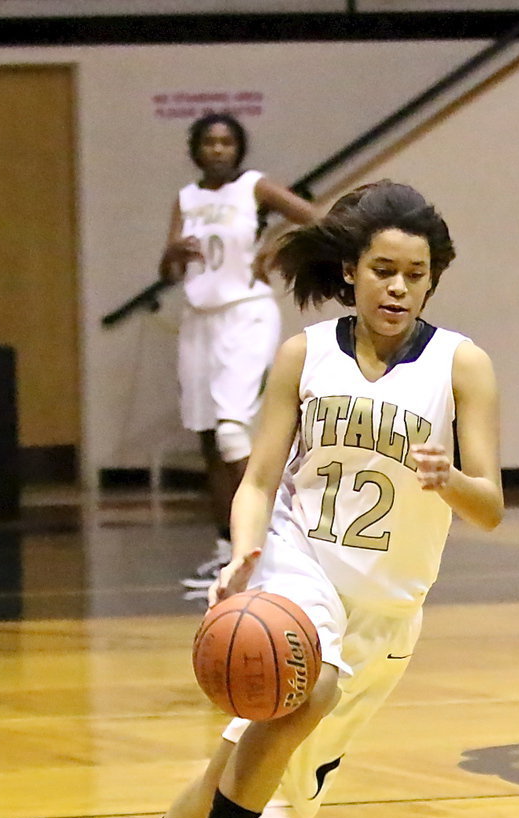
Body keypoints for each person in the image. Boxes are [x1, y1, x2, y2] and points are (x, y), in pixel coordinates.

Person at [83, 181, 503, 818]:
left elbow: (491, 508)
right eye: (383, 269)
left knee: (241, 760)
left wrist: (452, 480)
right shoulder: (303, 354)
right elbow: (259, 477)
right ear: (350, 270)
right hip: (298, 562)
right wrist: (244, 554)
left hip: (387, 609)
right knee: (309, 691)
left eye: (415, 274)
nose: (399, 287)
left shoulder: (462, 365)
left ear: (432, 280)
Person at [162, 112, 318, 591]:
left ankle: (266, 543)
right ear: (195, 149)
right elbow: (167, 272)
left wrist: (272, 248)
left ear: (239, 148)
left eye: (227, 142)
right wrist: (174, 253)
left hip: (246, 312)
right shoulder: (186, 199)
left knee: (232, 429)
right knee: (208, 435)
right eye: (209, 142)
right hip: (199, 319)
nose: (218, 150)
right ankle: (224, 550)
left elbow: (315, 219)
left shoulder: (255, 188)